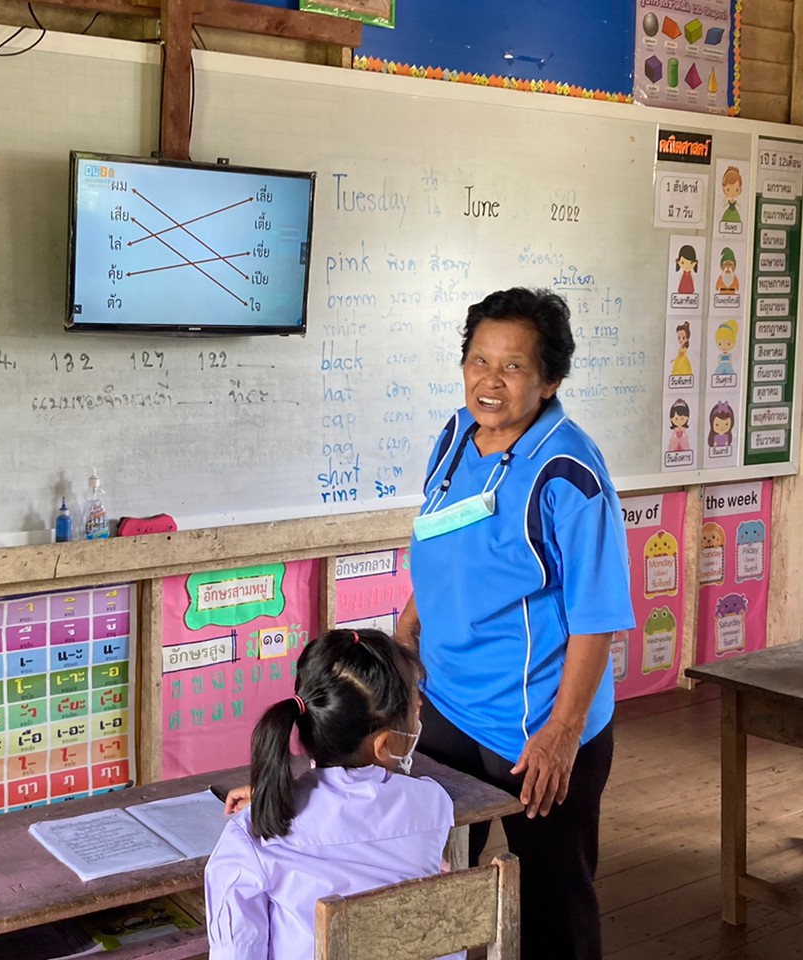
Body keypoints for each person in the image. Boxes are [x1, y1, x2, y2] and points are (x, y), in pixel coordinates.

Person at [399, 287, 636, 960]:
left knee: (553, 909)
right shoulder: (455, 436)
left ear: (550, 380)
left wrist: (562, 734)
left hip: (534, 724)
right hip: (445, 702)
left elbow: (597, 618)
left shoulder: (569, 475)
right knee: (433, 883)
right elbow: (443, 542)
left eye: (513, 366)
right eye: (479, 360)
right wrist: (408, 629)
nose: (490, 381)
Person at [205, 629, 454, 960]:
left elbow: (235, 952)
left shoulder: (250, 837)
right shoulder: (433, 805)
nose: (419, 710)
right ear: (383, 745)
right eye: (413, 709)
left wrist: (276, 798)